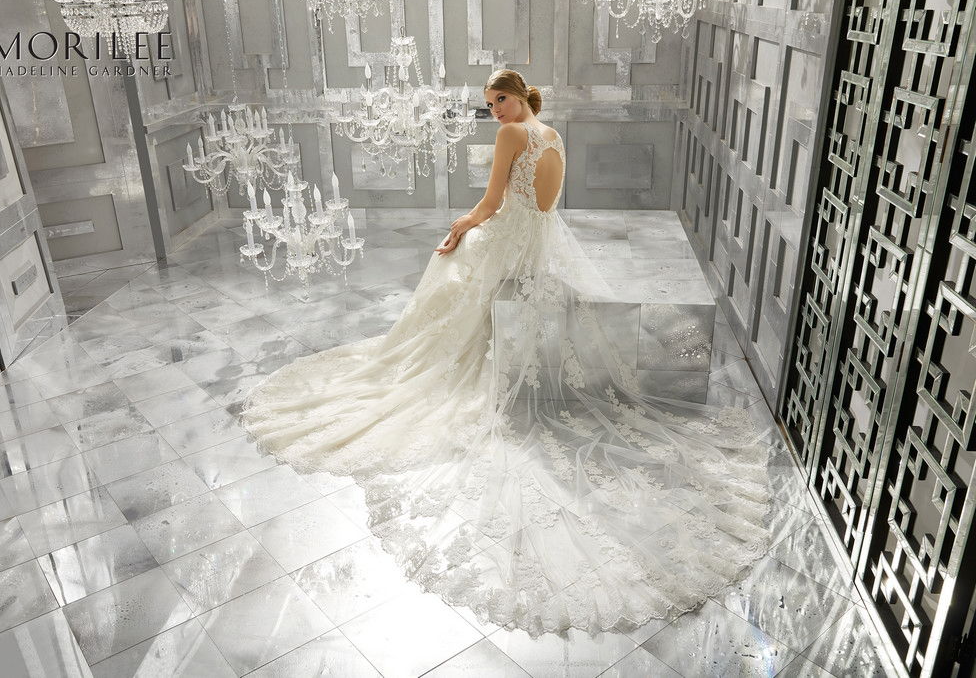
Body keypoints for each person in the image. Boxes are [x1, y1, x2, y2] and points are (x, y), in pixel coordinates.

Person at [240, 69, 777, 636]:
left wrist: (461, 224)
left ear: (520, 96)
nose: (495, 110)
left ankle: (436, 349)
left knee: (451, 257)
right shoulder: (552, 133)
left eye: (500, 99)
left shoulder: (512, 134)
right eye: (490, 104)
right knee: (462, 258)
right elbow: (544, 204)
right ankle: (453, 335)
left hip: (510, 242)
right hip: (539, 242)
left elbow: (494, 202)